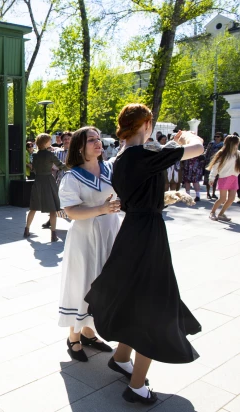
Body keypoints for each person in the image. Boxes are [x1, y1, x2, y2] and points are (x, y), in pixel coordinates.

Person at [84, 104, 203, 405]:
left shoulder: (121, 157)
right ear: (147, 125)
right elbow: (199, 148)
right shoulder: (141, 155)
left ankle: (122, 357)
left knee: (138, 297)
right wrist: (188, 135)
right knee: (154, 306)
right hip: (148, 234)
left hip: (134, 231)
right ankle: (137, 386)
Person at [58, 127, 119, 362]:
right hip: (85, 236)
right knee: (84, 283)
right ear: (79, 147)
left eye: (98, 139)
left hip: (110, 231)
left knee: (103, 282)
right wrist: (101, 209)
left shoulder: (110, 168)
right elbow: (70, 211)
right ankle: (73, 336)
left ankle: (88, 331)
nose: (98, 143)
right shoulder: (72, 177)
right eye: (91, 140)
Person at [24, 133, 68, 242]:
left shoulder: (35, 155)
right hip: (48, 181)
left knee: (33, 207)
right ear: (45, 142)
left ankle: (27, 229)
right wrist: (72, 166)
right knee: (52, 208)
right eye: (48, 140)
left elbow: (34, 169)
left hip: (38, 181)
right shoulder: (50, 155)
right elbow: (61, 166)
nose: (50, 142)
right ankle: (53, 234)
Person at [207, 134, 240, 222]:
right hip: (224, 178)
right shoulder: (222, 153)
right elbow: (215, 167)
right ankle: (212, 212)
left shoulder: (238, 154)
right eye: (237, 143)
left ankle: (221, 214)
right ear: (232, 143)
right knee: (222, 198)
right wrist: (211, 178)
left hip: (234, 178)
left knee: (232, 198)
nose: (238, 144)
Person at [204, 133, 223, 200]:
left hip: (218, 163)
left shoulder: (223, 145)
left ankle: (213, 193)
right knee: (207, 179)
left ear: (221, 137)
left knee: (216, 179)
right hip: (209, 163)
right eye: (215, 136)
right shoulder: (211, 144)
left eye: (218, 136)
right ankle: (208, 193)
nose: (216, 138)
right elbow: (207, 153)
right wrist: (205, 161)